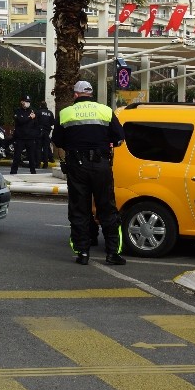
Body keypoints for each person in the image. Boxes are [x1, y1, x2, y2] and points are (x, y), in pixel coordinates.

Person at [52, 80, 126, 266]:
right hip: (101, 166)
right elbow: (119, 138)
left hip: (77, 166)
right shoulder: (105, 111)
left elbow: (57, 141)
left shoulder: (65, 113)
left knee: (79, 209)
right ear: (91, 94)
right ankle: (112, 253)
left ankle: (83, 253)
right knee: (107, 208)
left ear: (75, 95)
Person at [11, 95, 39, 175]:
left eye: (28, 102)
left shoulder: (32, 111)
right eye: (26, 101)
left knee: (31, 156)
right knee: (17, 156)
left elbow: (36, 124)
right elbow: (20, 121)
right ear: (22, 102)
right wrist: (30, 118)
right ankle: (13, 172)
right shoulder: (17, 111)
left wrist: (35, 134)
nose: (27, 103)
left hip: (30, 137)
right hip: (20, 137)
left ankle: (33, 171)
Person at [36, 100, 56, 169]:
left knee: (38, 148)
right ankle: (45, 164)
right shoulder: (50, 113)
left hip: (39, 132)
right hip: (47, 132)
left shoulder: (38, 112)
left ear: (40, 106)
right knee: (46, 148)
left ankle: (38, 164)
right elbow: (53, 122)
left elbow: (35, 121)